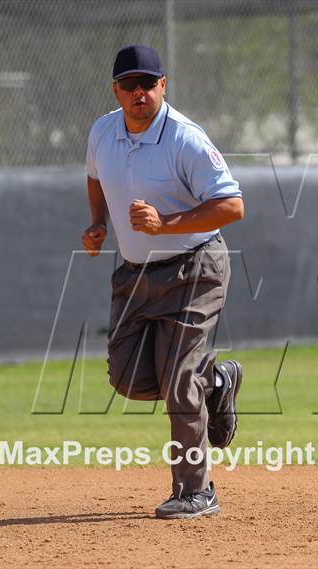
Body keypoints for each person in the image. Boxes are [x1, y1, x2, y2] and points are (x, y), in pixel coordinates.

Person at [82, 44, 244, 519]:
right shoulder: (103, 131)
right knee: (127, 377)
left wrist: (165, 223)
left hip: (195, 266)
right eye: (129, 84)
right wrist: (98, 223)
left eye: (148, 83)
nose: (139, 93)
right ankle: (216, 380)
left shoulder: (184, 139)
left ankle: (196, 491)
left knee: (177, 379)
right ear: (115, 90)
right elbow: (95, 177)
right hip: (136, 273)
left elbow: (232, 205)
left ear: (163, 85)